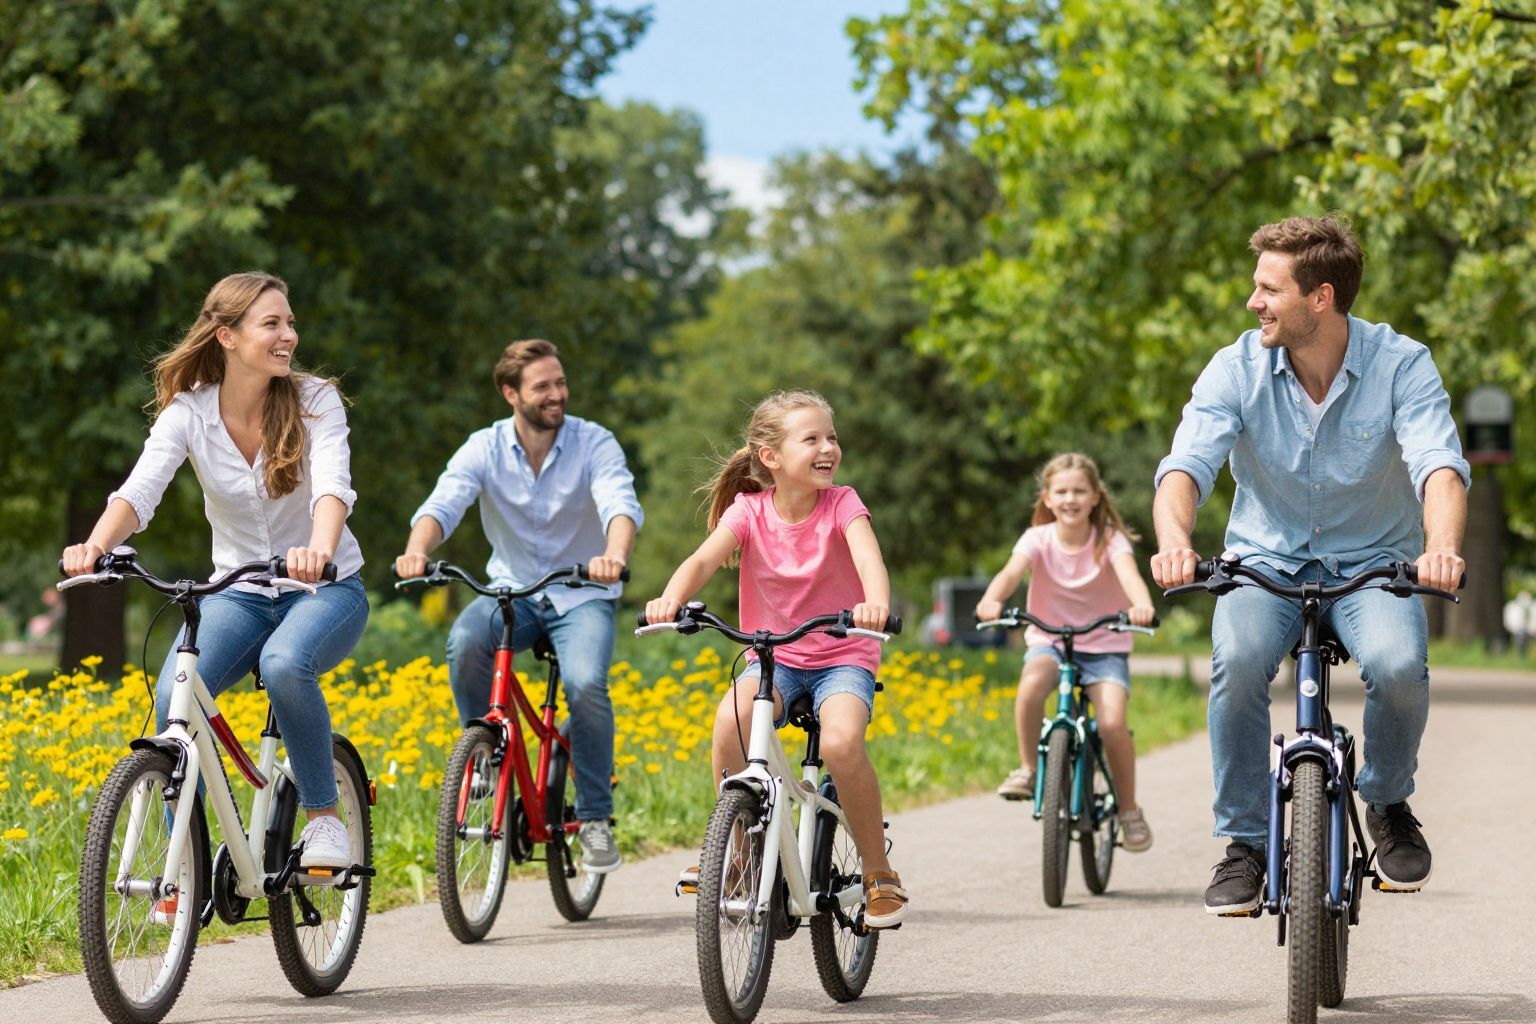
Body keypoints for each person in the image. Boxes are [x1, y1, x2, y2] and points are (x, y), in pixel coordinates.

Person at [1150, 215, 1469, 914]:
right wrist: (1176, 540)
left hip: (1370, 564)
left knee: (1395, 665)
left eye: (1268, 288)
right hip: (1264, 560)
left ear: (1320, 298)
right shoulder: (1235, 366)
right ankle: (1246, 842)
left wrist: (1440, 549)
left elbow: (1438, 465)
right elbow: (1186, 467)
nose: (1252, 302)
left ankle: (1386, 801)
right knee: (1235, 665)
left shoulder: (1401, 363)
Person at [61, 271, 370, 901]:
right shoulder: (189, 413)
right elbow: (140, 490)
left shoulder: (315, 401)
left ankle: (324, 819)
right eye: (272, 324)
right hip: (239, 591)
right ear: (227, 336)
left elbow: (333, 487)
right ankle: (190, 862)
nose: (290, 335)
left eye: (289, 322)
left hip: (325, 589)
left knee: (286, 666)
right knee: (174, 695)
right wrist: (97, 544)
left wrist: (318, 549)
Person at [643, 389, 909, 928]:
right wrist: (671, 598)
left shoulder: (842, 504)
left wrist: (874, 604)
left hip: (842, 653)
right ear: (771, 457)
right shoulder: (749, 511)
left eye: (831, 436)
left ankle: (879, 872)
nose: (828, 447)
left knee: (839, 742)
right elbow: (701, 561)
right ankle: (736, 852)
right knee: (730, 723)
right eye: (811, 438)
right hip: (774, 657)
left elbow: (868, 557)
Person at [396, 339, 641, 874]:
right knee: (465, 641)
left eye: (560, 383)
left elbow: (619, 501)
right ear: (511, 393)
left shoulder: (593, 442)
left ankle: (596, 819)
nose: (557, 395)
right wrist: (417, 551)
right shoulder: (483, 448)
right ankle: (483, 757)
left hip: (584, 593)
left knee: (584, 685)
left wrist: (613, 556)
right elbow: (445, 501)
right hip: (513, 592)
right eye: (542, 387)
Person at [973, 453, 1158, 851]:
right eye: (1062, 491)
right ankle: (1027, 768)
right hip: (1049, 640)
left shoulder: (1110, 540)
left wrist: (1141, 605)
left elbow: (1130, 576)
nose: (1070, 498)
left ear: (1095, 497)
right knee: (1032, 685)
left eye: (1079, 491)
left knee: (1111, 725)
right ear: (1047, 498)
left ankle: (1128, 810)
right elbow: (1010, 572)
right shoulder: (1037, 539)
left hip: (1105, 644)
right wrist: (992, 599)